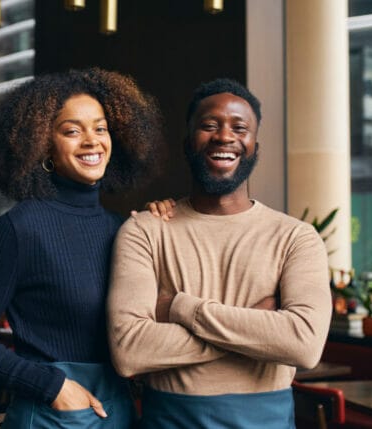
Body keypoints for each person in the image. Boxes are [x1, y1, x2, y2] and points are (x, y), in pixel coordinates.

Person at [106, 78, 332, 428]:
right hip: (171, 420)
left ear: (255, 146)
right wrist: (256, 331)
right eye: (209, 125)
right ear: (187, 144)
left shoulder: (296, 238)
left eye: (239, 128)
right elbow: (130, 352)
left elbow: (304, 345)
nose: (224, 136)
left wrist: (180, 308)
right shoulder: (144, 231)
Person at [0, 68, 165, 428]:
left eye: (100, 128)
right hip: (53, 414)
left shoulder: (124, 229)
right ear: (42, 144)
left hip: (120, 413)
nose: (92, 141)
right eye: (71, 130)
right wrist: (54, 388)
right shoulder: (19, 229)